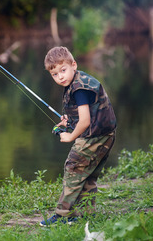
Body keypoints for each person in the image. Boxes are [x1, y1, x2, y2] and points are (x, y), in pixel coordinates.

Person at [40, 46, 117, 226]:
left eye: (63, 70)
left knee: (74, 168)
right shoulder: (77, 81)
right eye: (55, 74)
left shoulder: (79, 89)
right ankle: (86, 214)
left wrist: (71, 136)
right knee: (87, 173)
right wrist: (69, 121)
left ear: (73, 65)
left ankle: (63, 215)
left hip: (95, 137)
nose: (60, 77)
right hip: (104, 135)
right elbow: (84, 115)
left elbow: (85, 122)